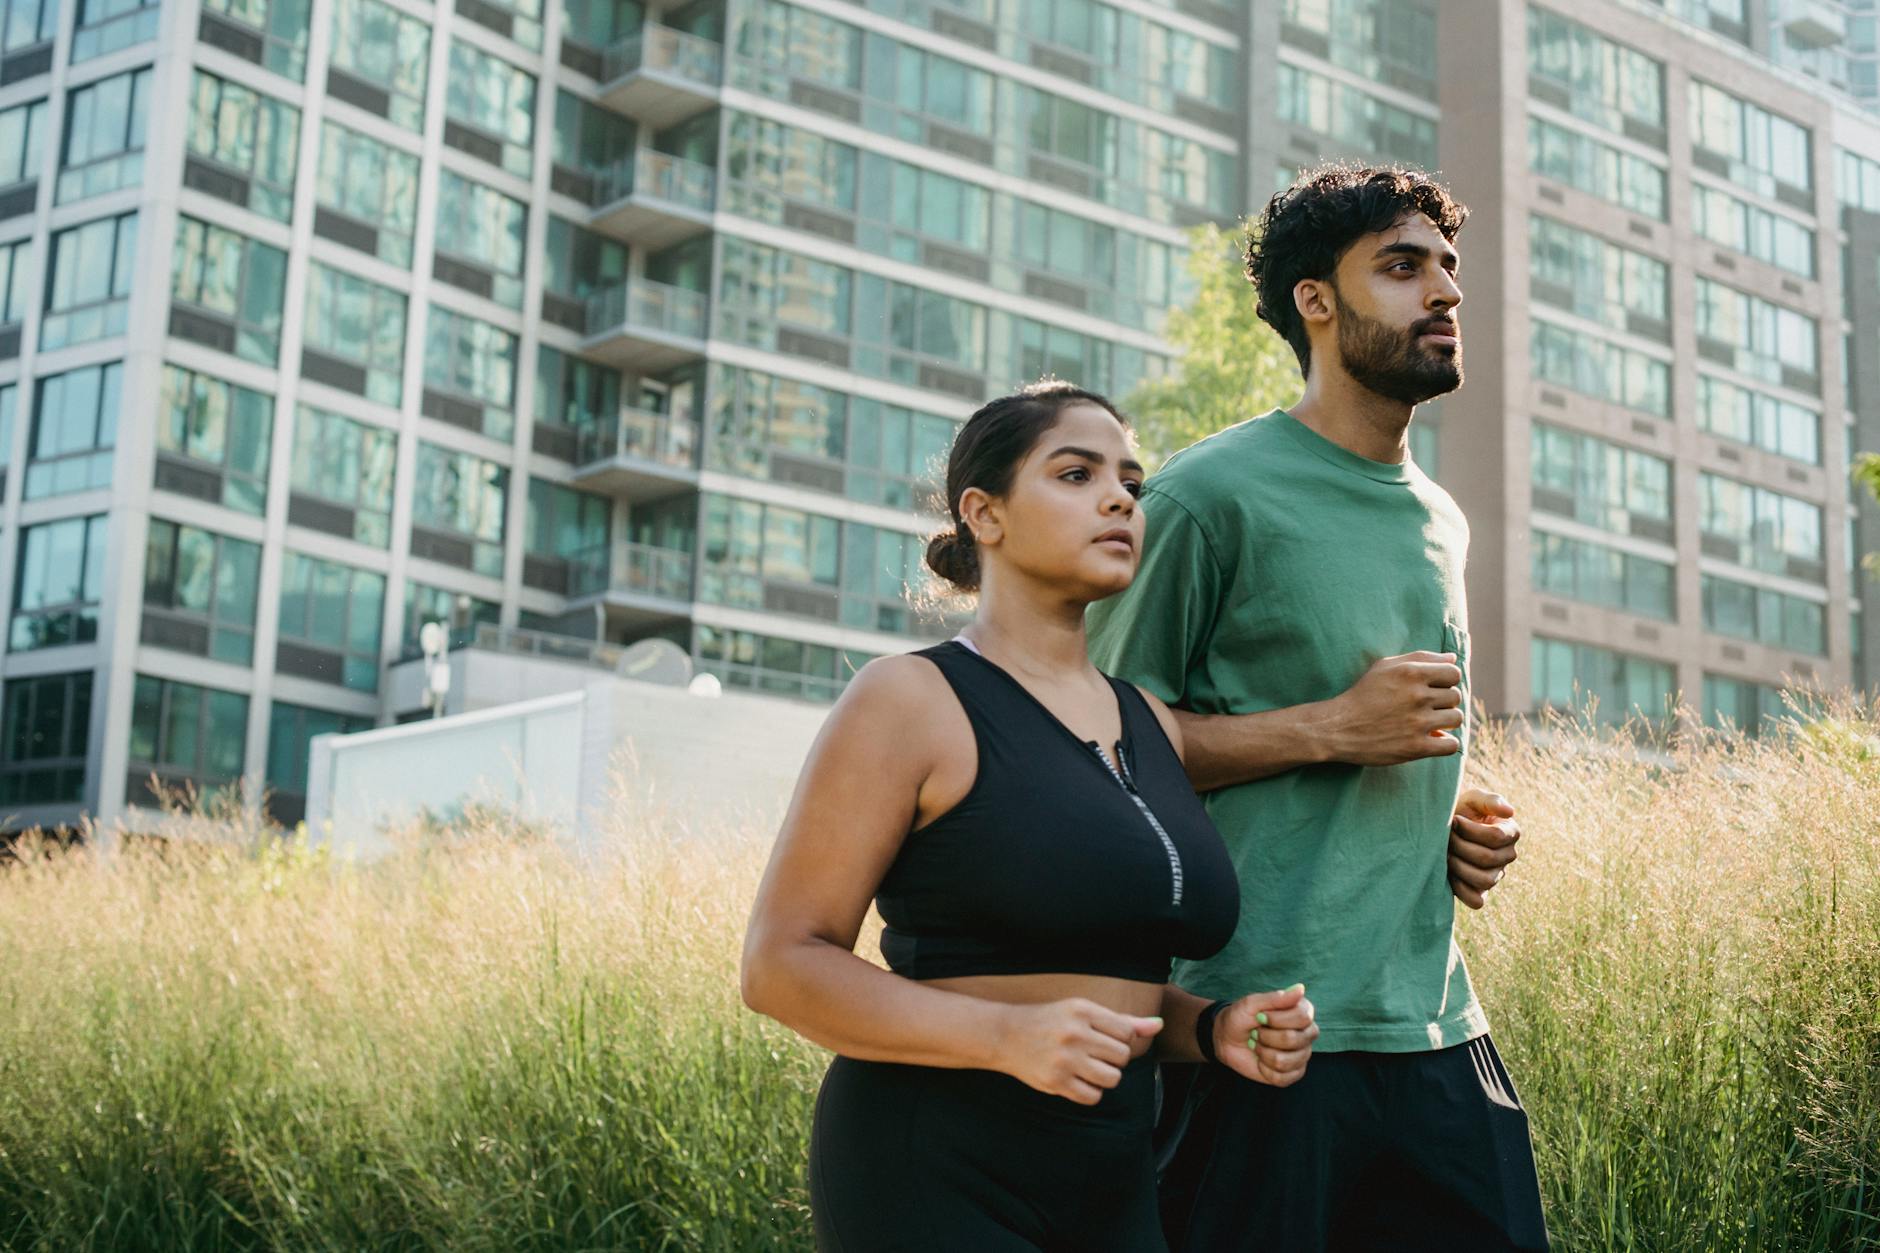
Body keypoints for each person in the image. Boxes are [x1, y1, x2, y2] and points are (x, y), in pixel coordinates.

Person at [741, 381, 1320, 1252]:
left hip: (1112, 1174)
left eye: (1130, 481)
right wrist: (1006, 1036)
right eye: (1077, 474)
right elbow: (780, 964)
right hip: (933, 1164)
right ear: (985, 513)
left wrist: (1208, 1027)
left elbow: (1098, 973)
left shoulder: (1149, 722)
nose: (1119, 498)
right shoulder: (910, 699)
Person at [1086, 165, 1549, 1251]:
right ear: (1316, 301)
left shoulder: (1440, 518)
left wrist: (1446, 816)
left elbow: (1379, 733)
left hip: (1434, 1023)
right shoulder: (1207, 496)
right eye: (1402, 266)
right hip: (1258, 1029)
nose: (1444, 291)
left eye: (1447, 268)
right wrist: (1333, 729)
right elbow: (1096, 747)